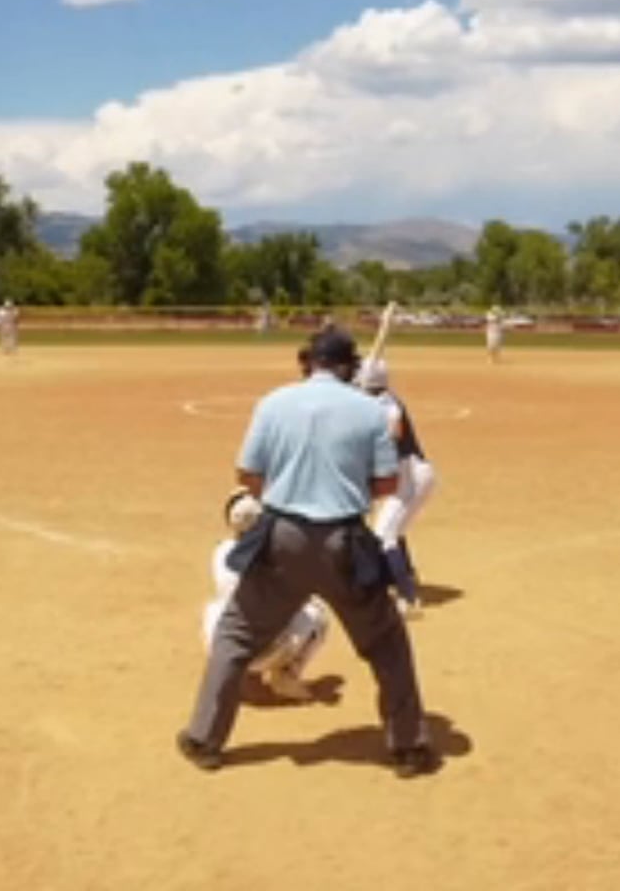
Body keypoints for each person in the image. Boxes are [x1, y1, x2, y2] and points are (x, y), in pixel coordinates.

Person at [179, 328, 437, 778]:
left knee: (236, 636)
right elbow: (386, 485)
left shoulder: (273, 402)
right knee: (386, 643)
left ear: (306, 363)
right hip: (344, 542)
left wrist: (286, 489)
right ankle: (408, 746)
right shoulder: (369, 411)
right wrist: (348, 480)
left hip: (281, 538)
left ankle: (204, 738)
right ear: (349, 366)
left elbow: (247, 474)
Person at [202, 489, 330, 701]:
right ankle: (286, 677)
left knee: (216, 608)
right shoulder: (280, 555)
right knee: (317, 613)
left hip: (223, 643)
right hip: (265, 649)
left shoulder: (221, 551)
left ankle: (231, 674)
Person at [357, 357, 436, 616]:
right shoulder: (373, 402)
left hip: (412, 478)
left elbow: (395, 431)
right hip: (407, 478)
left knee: (383, 533)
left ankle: (408, 598)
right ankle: (405, 576)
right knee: (393, 527)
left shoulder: (386, 404)